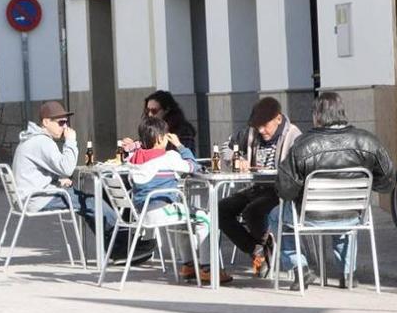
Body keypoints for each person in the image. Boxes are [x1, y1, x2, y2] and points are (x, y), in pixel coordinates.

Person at [271, 92, 394, 290]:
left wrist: (299, 194)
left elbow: (285, 189)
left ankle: (299, 268)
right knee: (343, 222)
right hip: (354, 215)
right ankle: (348, 274)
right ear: (342, 113)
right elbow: (387, 181)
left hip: (310, 216)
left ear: (316, 116)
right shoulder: (367, 141)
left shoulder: (302, 145)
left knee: (276, 216)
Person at [12, 100, 154, 262]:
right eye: (60, 122)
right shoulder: (42, 142)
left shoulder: (32, 139)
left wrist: (57, 180)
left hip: (33, 195)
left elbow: (40, 171)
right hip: (37, 198)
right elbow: (67, 168)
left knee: (90, 204)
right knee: (94, 204)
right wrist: (71, 141)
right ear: (45, 122)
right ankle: (122, 248)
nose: (64, 127)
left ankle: (118, 247)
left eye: (65, 122)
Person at [127, 116, 232, 283]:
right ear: (161, 138)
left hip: (142, 213)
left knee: (183, 220)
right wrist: (180, 146)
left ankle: (188, 265)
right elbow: (192, 166)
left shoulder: (133, 159)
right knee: (206, 218)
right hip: (162, 210)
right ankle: (208, 268)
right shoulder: (169, 157)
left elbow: (137, 151)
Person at [218, 97, 302, 277]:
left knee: (252, 211)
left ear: (278, 119)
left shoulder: (293, 136)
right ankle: (258, 250)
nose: (261, 130)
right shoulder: (250, 133)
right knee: (220, 209)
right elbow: (226, 146)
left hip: (279, 191)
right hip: (255, 188)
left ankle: (263, 252)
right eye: (258, 126)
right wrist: (236, 159)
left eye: (265, 125)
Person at [124, 91, 197, 154]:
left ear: (166, 110)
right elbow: (145, 146)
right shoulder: (149, 127)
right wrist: (133, 145)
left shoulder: (183, 130)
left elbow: (187, 156)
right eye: (147, 111)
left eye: (154, 111)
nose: (150, 114)